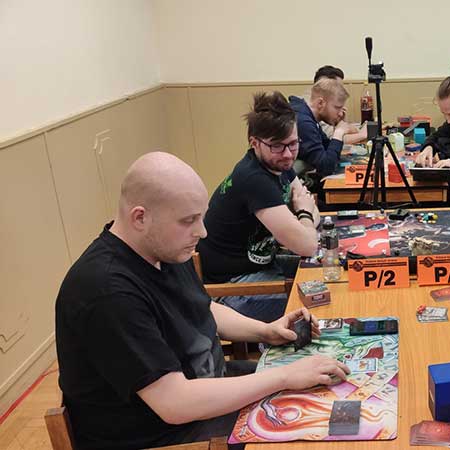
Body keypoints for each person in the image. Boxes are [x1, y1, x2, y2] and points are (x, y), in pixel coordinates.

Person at [55, 152, 349, 450]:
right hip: (168, 435)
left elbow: (203, 307)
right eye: (189, 221)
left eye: (200, 217)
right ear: (140, 217)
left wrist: (266, 331)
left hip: (206, 392)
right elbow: (174, 403)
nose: (203, 232)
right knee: (317, 430)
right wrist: (284, 376)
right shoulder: (106, 291)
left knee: (329, 389)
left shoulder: (162, 248)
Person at [197, 91, 321, 323]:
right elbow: (307, 244)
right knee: (320, 300)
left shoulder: (279, 164)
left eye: (293, 144)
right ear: (254, 143)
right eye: (277, 146)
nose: (288, 154)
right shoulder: (254, 179)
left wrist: (304, 219)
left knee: (328, 271)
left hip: (263, 266)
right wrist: (303, 212)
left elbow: (315, 218)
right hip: (231, 288)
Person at [290, 78, 363, 178]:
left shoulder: (310, 117)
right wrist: (338, 133)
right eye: (337, 108)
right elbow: (325, 167)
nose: (340, 113)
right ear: (320, 103)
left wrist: (337, 131)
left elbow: (326, 147)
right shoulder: (303, 122)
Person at [312, 65, 367, 144]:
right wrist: (363, 135)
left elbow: (348, 130)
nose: (341, 92)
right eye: (338, 87)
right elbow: (335, 140)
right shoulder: (318, 113)